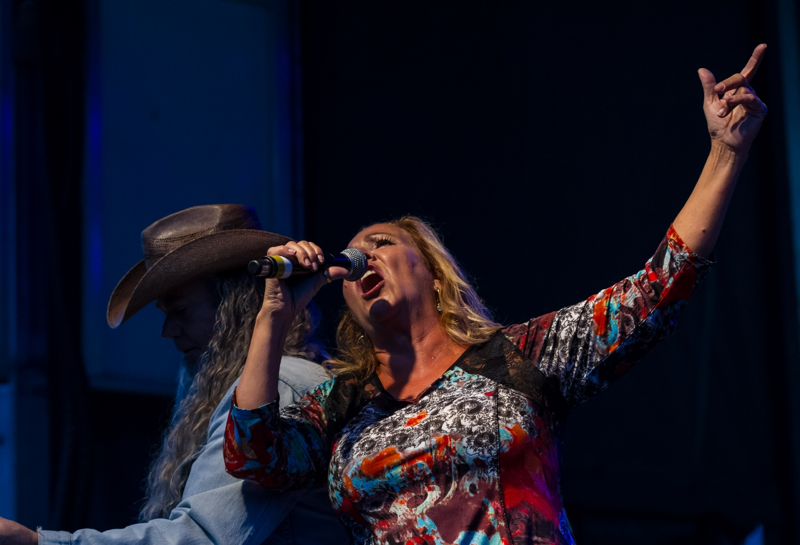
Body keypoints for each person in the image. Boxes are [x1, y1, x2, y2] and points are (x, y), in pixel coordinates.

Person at [222, 45, 769, 544]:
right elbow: (254, 458)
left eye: (381, 244)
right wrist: (274, 314)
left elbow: (656, 290)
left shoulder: (519, 356)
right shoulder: (340, 404)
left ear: (434, 275)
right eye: (352, 256)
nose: (361, 257)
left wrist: (726, 153)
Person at [0, 204, 349, 544]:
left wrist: (35, 542)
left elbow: (203, 536)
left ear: (236, 303)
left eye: (181, 310)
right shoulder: (252, 383)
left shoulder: (281, 385)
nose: (168, 331)